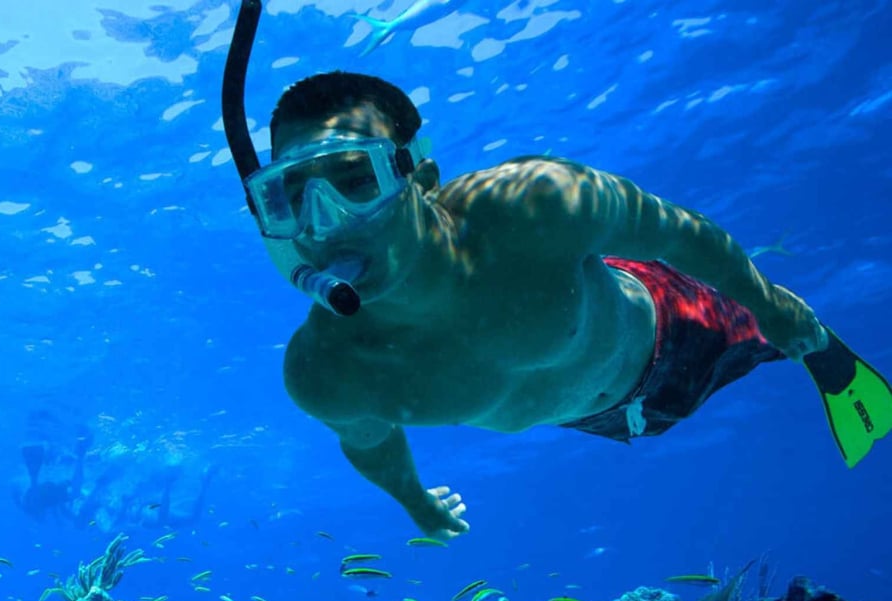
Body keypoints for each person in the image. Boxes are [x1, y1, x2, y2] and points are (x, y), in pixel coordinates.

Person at [219, 2, 892, 540]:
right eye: (289, 196)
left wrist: (765, 299)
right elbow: (368, 439)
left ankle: (819, 346)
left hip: (677, 329)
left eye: (351, 180)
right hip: (599, 419)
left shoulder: (533, 205)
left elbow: (673, 231)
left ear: (419, 174)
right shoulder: (324, 372)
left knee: (782, 331)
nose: (323, 222)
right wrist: (417, 503)